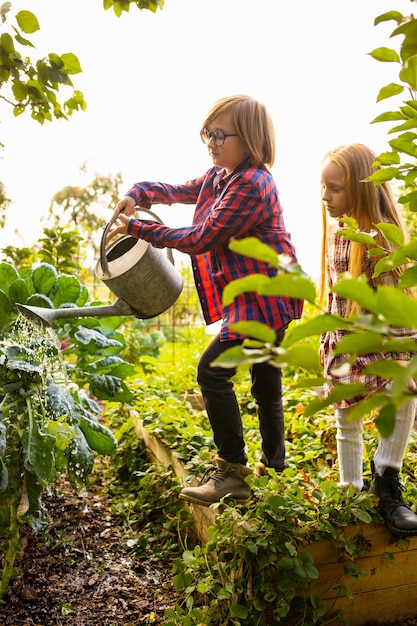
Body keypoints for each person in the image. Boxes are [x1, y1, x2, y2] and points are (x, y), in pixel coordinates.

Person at [106, 94, 303, 506]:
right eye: (206, 134)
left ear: (249, 138)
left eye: (219, 135)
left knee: (212, 373)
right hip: (254, 295)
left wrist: (140, 230)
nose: (211, 143)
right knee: (266, 382)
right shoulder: (220, 175)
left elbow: (202, 238)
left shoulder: (252, 184)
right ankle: (276, 470)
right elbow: (179, 190)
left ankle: (233, 472)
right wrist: (137, 193)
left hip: (266, 299)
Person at [319, 142, 417, 537]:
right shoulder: (337, 229)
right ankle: (351, 490)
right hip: (345, 340)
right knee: (347, 417)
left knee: (405, 393)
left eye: (335, 188)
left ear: (362, 188)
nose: (325, 196)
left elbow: (396, 303)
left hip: (383, 342)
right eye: (323, 187)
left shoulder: (381, 241)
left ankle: (386, 480)